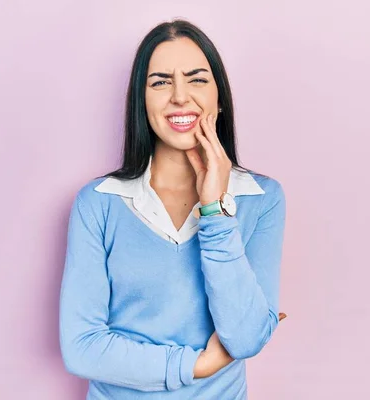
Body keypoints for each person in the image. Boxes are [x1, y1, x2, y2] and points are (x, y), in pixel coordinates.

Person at [59, 19, 287, 400]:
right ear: (141, 99)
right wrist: (197, 366)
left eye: (197, 79)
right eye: (161, 81)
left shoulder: (262, 198)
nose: (180, 96)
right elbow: (82, 348)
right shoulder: (98, 202)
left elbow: (245, 338)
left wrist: (214, 211)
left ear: (219, 96)